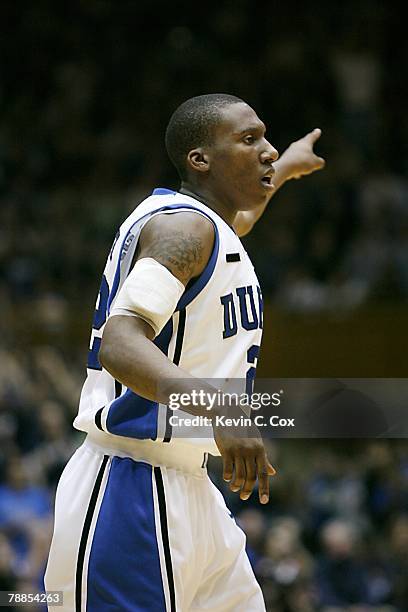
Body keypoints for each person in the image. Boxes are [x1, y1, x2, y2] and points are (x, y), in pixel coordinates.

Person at [45, 93, 324, 611]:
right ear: (200, 160)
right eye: (249, 140)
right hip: (130, 487)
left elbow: (240, 220)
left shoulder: (208, 225)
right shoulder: (183, 228)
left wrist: (286, 167)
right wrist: (225, 410)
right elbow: (121, 342)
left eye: (265, 138)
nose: (265, 150)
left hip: (191, 488)